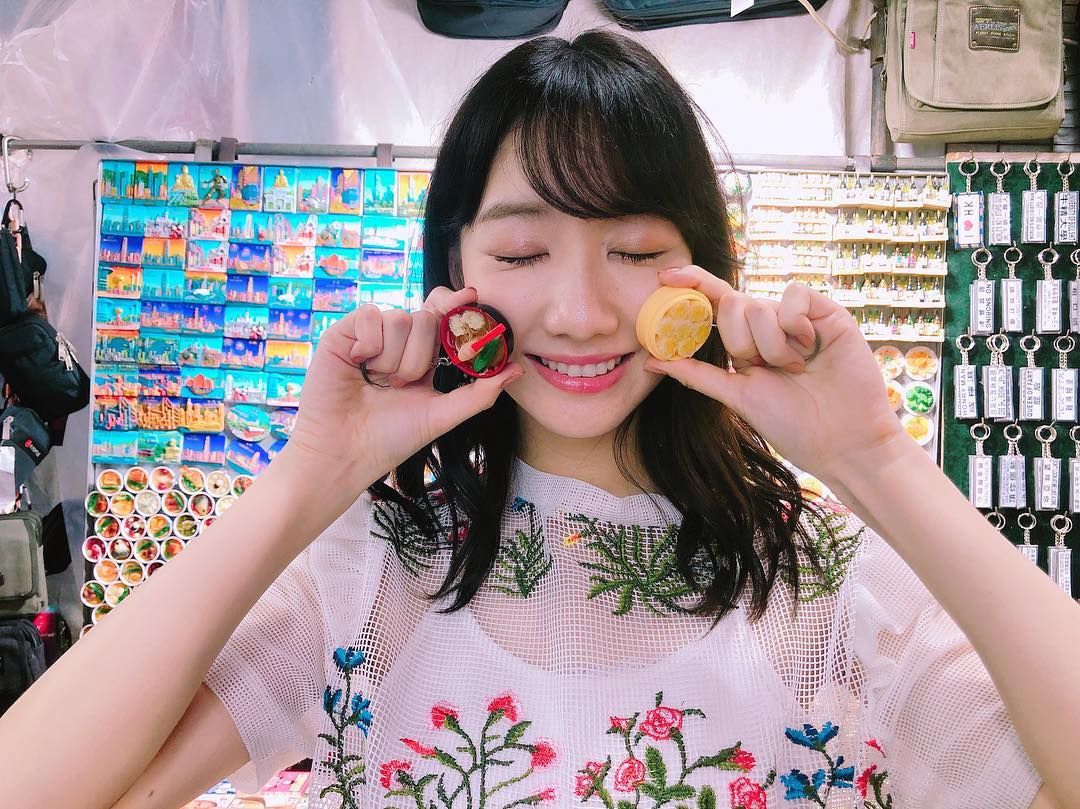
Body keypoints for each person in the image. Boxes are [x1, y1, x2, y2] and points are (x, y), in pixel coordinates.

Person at [0, 30, 1076, 809]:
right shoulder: (372, 570)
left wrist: (878, 461)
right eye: (522, 251)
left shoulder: (823, 583)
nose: (579, 310)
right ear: (456, 266)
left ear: (702, 269)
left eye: (635, 249)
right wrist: (305, 478)